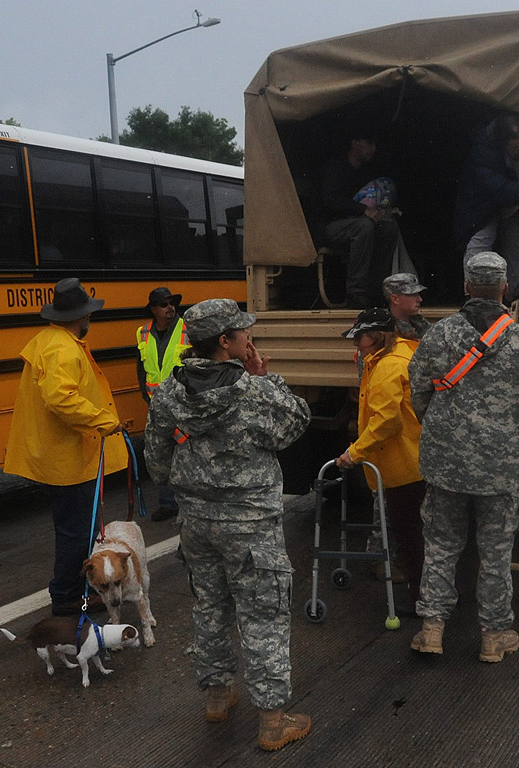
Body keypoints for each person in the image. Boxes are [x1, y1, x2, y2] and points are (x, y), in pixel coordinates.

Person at [143, 299, 312, 749]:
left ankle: (218, 695)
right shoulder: (253, 391)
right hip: (250, 523)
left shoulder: (168, 392)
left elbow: (157, 465)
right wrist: (266, 378)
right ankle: (273, 720)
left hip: (196, 520)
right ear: (224, 342)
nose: (248, 337)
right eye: (242, 332)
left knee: (211, 605)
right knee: (263, 614)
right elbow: (294, 425)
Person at [408, 252, 519, 662]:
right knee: (495, 552)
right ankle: (494, 637)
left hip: (444, 465)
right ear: (506, 288)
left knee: (440, 545)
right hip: (499, 468)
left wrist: (443, 433)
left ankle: (432, 629)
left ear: (466, 287)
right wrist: (516, 440)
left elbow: (418, 394)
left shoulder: (438, 336)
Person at [4, 278, 126, 617]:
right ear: (82, 316)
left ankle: (73, 592)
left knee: (73, 529)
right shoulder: (63, 348)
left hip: (62, 454)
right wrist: (103, 420)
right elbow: (61, 398)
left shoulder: (51, 340)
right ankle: (69, 598)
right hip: (68, 459)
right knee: (76, 533)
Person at [335, 308, 425, 613]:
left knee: (411, 537)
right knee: (423, 534)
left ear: (376, 337)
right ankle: (437, 595)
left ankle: (422, 601)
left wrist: (355, 453)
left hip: (404, 464)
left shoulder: (387, 367)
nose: (357, 345)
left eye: (361, 338)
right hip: (417, 457)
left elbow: (387, 421)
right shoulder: (402, 354)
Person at [453, 114, 519, 302]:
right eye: (518, 147)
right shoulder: (482, 153)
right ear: (503, 145)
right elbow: (499, 189)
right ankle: (473, 295)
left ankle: (514, 295)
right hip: (484, 205)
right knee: (479, 244)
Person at [322, 131, 408, 308]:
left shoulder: (366, 171)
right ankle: (357, 293)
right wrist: (364, 210)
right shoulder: (336, 166)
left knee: (388, 228)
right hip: (331, 226)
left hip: (359, 226)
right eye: (369, 143)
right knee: (364, 226)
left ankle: (376, 291)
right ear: (355, 143)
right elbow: (330, 200)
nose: (373, 149)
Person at [135, 286, 191, 521]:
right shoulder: (143, 333)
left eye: (172, 303)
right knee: (161, 452)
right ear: (153, 309)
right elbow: (141, 365)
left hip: (183, 403)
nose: (170, 308)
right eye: (164, 304)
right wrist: (144, 393)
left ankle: (189, 501)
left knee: (187, 450)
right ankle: (169, 504)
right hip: (157, 405)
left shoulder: (186, 329)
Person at [382, 272, 431, 342]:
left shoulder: (420, 322)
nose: (420, 299)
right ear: (395, 299)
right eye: (413, 295)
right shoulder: (383, 327)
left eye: (418, 294)